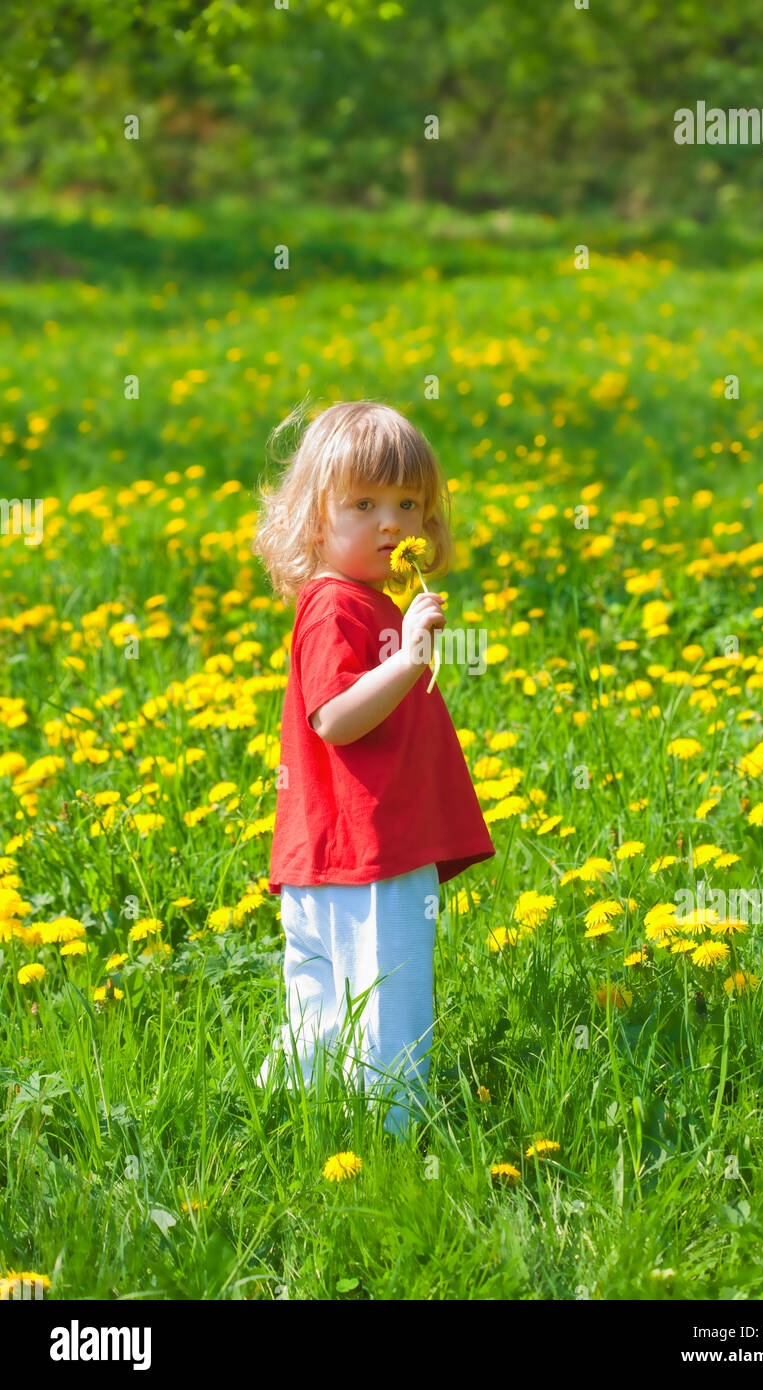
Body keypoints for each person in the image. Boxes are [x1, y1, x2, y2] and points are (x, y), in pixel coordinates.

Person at [251, 399, 495, 1138]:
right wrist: (410, 657)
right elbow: (336, 718)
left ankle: (282, 1123)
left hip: (326, 859)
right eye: (364, 503)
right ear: (314, 520)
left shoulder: (358, 602)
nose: (392, 523)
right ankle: (392, 1142)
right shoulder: (336, 609)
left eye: (408, 504)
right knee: (391, 1008)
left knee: (320, 1013)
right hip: (372, 854)